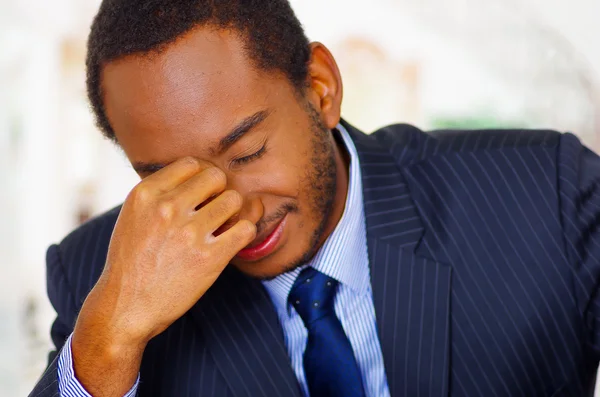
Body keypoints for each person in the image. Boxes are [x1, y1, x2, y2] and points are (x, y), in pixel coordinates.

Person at [29, 0, 600, 396]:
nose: (238, 216)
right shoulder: (94, 278)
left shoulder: (545, 193)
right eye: (172, 181)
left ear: (320, 88)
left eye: (248, 151)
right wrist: (107, 342)